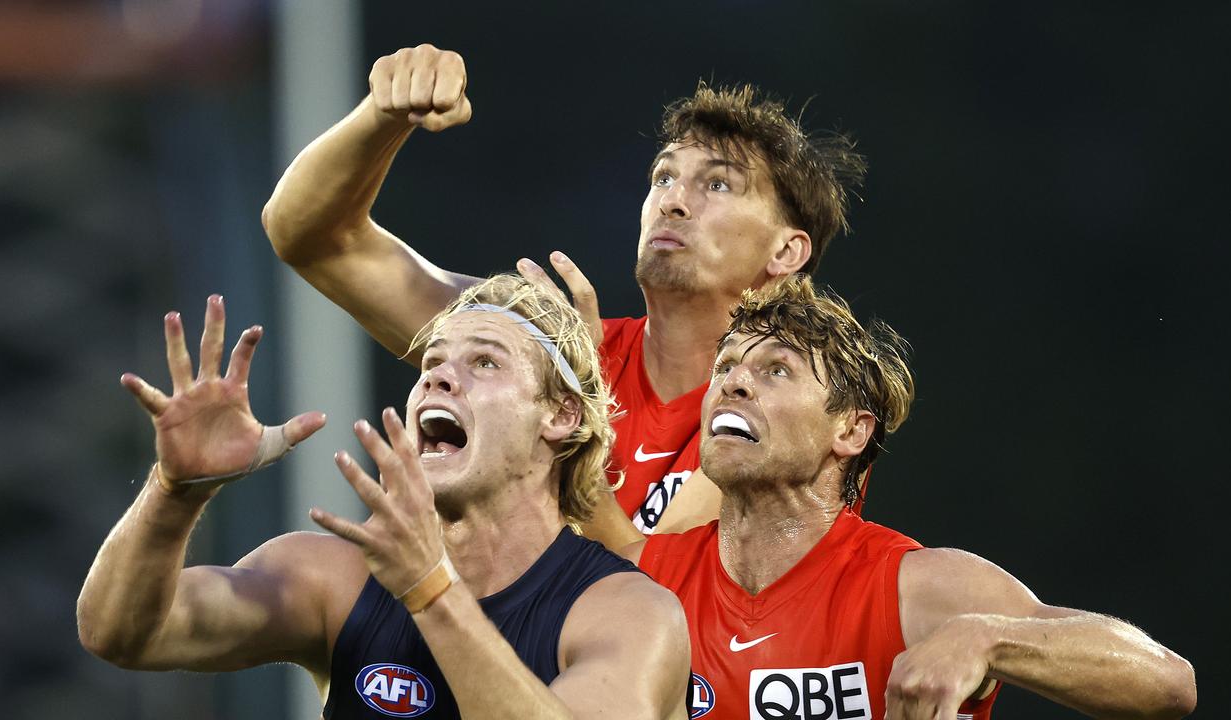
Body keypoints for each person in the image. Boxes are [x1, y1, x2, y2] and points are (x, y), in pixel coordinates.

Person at [261, 42, 867, 537]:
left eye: (719, 186)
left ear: (786, 251)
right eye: (663, 177)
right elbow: (309, 237)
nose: (674, 201)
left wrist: (583, 406)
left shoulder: (811, 413)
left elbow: (660, 599)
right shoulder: (542, 353)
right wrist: (383, 117)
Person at [76, 277, 691, 719]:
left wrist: (430, 592)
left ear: (559, 415)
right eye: (432, 363)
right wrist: (175, 491)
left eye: (485, 362)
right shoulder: (334, 578)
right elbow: (122, 633)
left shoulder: (631, 610)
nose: (438, 378)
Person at [611, 275, 1197, 719]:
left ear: (850, 431)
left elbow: (1169, 683)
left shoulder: (917, 588)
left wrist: (988, 638)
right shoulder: (638, 585)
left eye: (778, 371)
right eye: (726, 366)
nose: (732, 382)